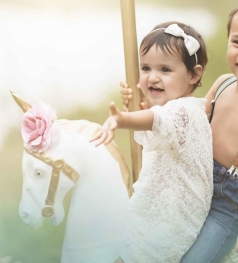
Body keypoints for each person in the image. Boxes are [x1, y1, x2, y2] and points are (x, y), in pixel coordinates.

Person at [121, 0, 238, 262]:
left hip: (229, 204)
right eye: (237, 42)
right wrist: (146, 105)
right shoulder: (224, 83)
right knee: (147, 242)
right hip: (193, 185)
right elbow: (182, 119)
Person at [91, 22, 213, 263]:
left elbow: (156, 119)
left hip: (170, 220)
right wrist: (136, 103)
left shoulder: (184, 111)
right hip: (160, 212)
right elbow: (152, 117)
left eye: (165, 70)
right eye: (146, 68)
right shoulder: (175, 107)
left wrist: (123, 118)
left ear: (194, 74)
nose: (153, 77)